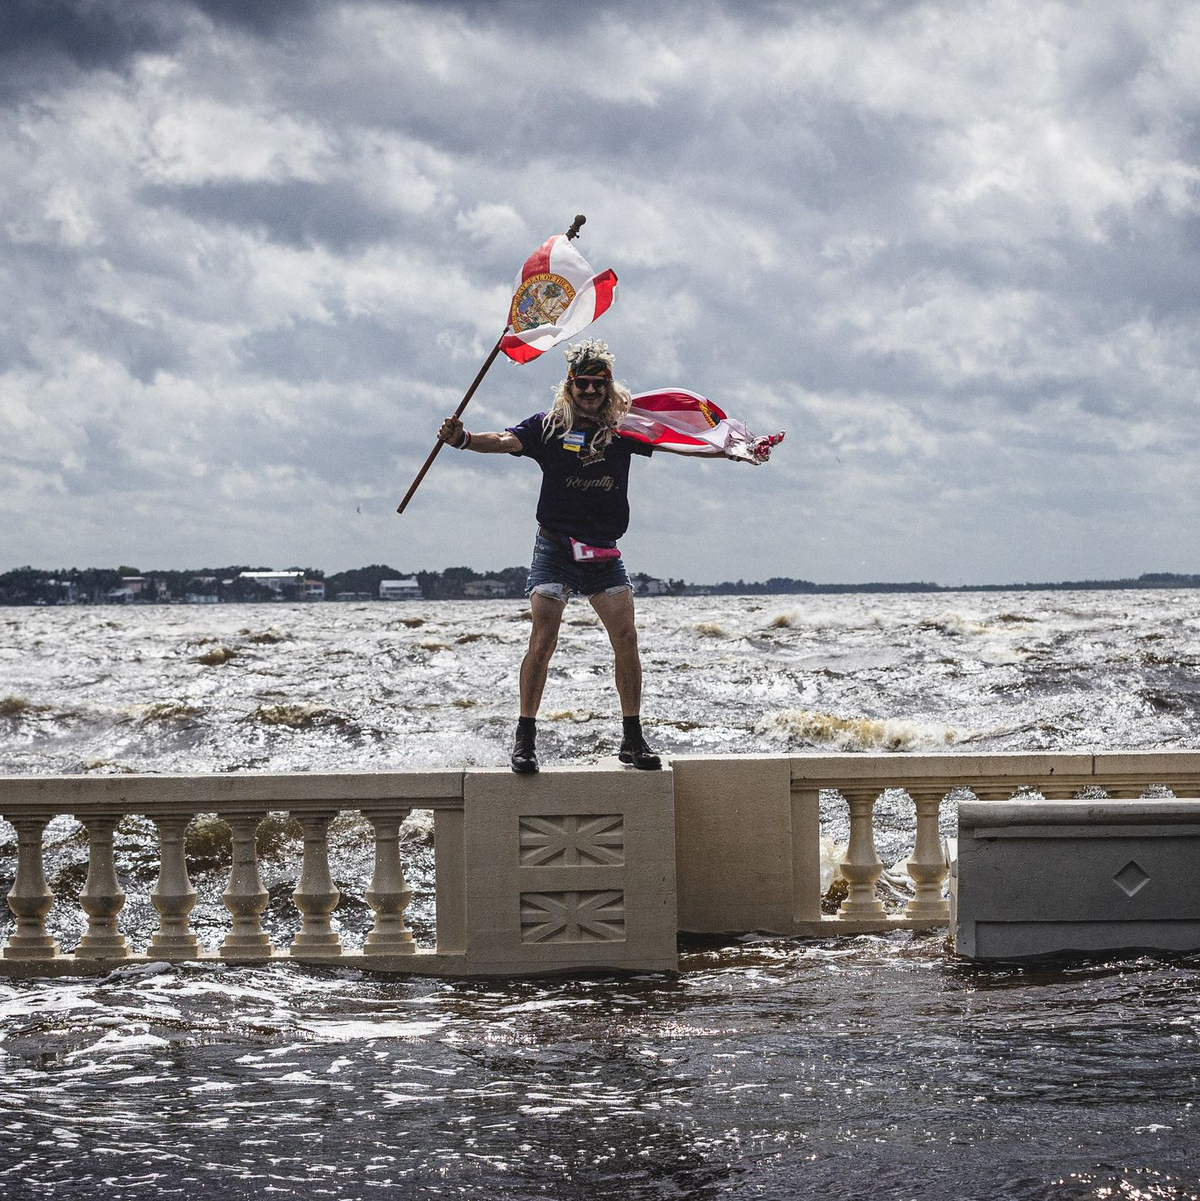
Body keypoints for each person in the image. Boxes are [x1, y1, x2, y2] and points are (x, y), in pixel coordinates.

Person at [437, 339, 703, 774]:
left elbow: (678, 438)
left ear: (609, 387)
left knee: (627, 639)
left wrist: (731, 446)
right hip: (555, 549)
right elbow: (504, 441)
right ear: (570, 386)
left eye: (599, 385)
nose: (591, 392)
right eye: (583, 385)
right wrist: (463, 439)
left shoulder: (622, 430)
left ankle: (632, 738)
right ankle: (524, 740)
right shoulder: (549, 427)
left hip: (602, 552)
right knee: (543, 639)